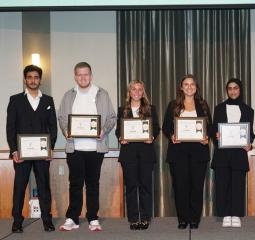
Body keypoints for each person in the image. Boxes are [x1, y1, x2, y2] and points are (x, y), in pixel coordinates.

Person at [58, 62, 116, 231]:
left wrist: (103, 131)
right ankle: (72, 218)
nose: (83, 77)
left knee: (93, 184)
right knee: (75, 183)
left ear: (91, 75)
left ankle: (93, 218)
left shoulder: (102, 94)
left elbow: (112, 117)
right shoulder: (69, 95)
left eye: (86, 74)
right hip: (74, 147)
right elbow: (62, 117)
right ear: (75, 76)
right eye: (79, 74)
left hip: (95, 148)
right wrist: (66, 130)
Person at [6, 65, 57, 233]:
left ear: (40, 80)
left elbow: (53, 127)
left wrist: (50, 149)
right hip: (21, 154)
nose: (33, 80)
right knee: (19, 187)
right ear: (25, 79)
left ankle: (47, 221)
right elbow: (10, 128)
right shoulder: (15, 100)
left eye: (36, 77)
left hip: (42, 153)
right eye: (30, 77)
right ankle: (17, 221)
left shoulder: (48, 100)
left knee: (44, 187)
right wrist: (14, 150)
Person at [162, 74, 211, 229]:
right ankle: (183, 219)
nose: (189, 87)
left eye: (192, 84)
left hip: (199, 152)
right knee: (180, 186)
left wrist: (207, 137)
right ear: (181, 87)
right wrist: (172, 136)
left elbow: (209, 126)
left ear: (196, 87)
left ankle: (195, 219)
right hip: (178, 152)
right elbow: (166, 127)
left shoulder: (203, 105)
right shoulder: (173, 105)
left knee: (197, 186)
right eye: (186, 84)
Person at [115, 80, 160, 230]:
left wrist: (151, 137)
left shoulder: (150, 109)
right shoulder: (123, 110)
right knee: (131, 187)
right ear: (129, 92)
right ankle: (134, 218)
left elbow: (156, 128)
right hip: (128, 154)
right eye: (133, 89)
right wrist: (121, 138)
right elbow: (118, 130)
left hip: (146, 153)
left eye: (140, 89)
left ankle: (145, 217)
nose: (136, 92)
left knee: (145, 186)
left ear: (143, 92)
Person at [211, 78, 255, 228]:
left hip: (239, 154)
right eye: (230, 88)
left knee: (238, 185)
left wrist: (250, 143)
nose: (233, 91)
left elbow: (251, 133)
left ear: (240, 90)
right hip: (222, 154)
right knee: (222, 184)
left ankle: (236, 214)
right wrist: (216, 136)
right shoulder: (219, 108)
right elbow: (213, 130)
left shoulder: (248, 110)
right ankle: (225, 215)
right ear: (227, 90)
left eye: (235, 88)